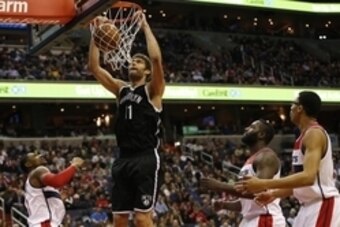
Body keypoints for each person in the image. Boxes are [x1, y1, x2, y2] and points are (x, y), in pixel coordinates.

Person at [88, 11, 165, 227]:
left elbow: (157, 59)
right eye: (132, 60)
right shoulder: (121, 90)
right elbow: (94, 68)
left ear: (147, 72)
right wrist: (96, 34)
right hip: (123, 159)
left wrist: (146, 27)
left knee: (141, 218)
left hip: (145, 157)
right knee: (119, 218)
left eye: (139, 62)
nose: (133, 62)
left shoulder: (153, 91)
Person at [237, 91, 340, 227]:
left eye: (292, 104)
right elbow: (298, 183)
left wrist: (264, 184)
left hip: (322, 203)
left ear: (300, 108)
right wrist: (274, 194)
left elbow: (308, 177)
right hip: (307, 207)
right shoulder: (301, 138)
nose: (290, 108)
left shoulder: (314, 133)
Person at [200, 119, 286, 227]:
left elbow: (257, 192)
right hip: (251, 219)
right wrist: (224, 205)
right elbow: (247, 204)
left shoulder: (267, 157)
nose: (246, 129)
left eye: (252, 127)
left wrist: (220, 186)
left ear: (261, 134)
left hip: (265, 218)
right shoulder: (250, 160)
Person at [20, 152, 84, 227]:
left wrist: (59, 199)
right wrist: (74, 166)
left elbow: (42, 203)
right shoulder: (38, 171)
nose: (41, 155)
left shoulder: (35, 182)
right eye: (35, 156)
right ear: (28, 164)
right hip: (45, 224)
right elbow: (57, 181)